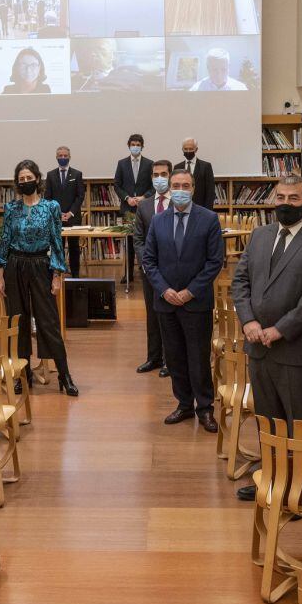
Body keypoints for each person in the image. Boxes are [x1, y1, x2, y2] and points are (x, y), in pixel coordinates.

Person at [230, 175, 302, 502]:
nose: (285, 204)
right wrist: (248, 321)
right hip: (258, 347)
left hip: (296, 349)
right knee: (268, 420)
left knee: (298, 423)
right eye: (280, 197)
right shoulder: (260, 235)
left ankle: (299, 489)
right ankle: (271, 480)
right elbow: (240, 282)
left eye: (293, 198)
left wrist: (280, 329)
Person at [141, 169, 223, 432]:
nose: (179, 189)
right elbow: (149, 261)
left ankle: (206, 408)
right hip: (165, 302)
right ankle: (184, 405)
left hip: (196, 302)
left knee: (198, 357)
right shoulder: (158, 221)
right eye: (175, 185)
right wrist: (165, 290)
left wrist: (190, 291)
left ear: (193, 188)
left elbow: (214, 262)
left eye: (184, 185)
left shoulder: (209, 219)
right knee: (175, 357)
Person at [0, 160, 78, 396]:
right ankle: (23, 374)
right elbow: (5, 242)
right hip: (15, 266)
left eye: (29, 178)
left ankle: (64, 375)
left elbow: (56, 242)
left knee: (48, 322)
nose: (26, 182)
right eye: (22, 179)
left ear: (38, 179)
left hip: (41, 266)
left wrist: (57, 275)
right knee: (18, 323)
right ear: (17, 184)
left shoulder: (51, 207)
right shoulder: (11, 209)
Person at [133, 159, 173, 377]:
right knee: (152, 314)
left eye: (164, 174)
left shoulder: (177, 203)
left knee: (168, 316)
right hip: (149, 271)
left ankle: (170, 360)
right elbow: (138, 239)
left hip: (172, 271)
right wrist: (146, 264)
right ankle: (153, 357)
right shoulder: (144, 205)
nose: (160, 178)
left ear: (170, 175)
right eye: (156, 174)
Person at [113, 133, 153, 284]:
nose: (135, 147)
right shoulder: (122, 163)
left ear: (142, 146)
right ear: (129, 146)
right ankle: (128, 273)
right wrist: (127, 198)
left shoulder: (150, 164)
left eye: (138, 144)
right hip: (127, 208)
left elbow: (153, 186)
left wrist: (144, 197)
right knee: (129, 242)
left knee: (145, 240)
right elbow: (117, 184)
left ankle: (146, 270)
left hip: (145, 207)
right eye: (133, 144)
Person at [43, 145, 85, 278]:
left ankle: (76, 276)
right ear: (56, 157)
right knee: (57, 248)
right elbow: (47, 198)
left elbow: (80, 196)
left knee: (74, 248)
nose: (63, 158)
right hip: (56, 219)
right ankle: (57, 275)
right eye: (60, 156)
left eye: (65, 156)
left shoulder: (77, 174)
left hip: (73, 218)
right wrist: (58, 214)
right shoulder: (50, 175)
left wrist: (70, 213)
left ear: (69, 157)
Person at [173, 137, 217, 210]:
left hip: (201, 208)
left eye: (190, 149)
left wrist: (208, 211)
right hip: (181, 207)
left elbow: (210, 191)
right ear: (182, 149)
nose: (188, 151)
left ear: (196, 149)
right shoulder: (177, 167)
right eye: (185, 149)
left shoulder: (206, 166)